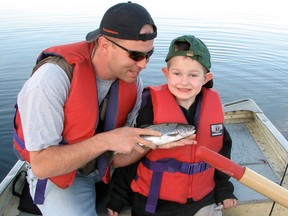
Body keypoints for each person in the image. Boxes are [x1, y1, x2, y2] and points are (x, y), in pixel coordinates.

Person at [12, 2, 177, 216]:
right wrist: (107, 140)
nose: (144, 64)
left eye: (149, 54)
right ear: (105, 44)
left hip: (103, 168)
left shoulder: (132, 82)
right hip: (59, 174)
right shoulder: (51, 79)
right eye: (135, 55)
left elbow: (116, 157)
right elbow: (43, 165)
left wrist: (154, 143)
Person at [106, 35, 238, 216]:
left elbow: (221, 155)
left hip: (201, 200)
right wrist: (119, 197)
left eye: (193, 75)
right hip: (153, 202)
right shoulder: (149, 107)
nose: (184, 82)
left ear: (206, 78)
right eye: (177, 74)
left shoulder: (212, 111)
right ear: (166, 74)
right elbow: (132, 153)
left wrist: (223, 188)